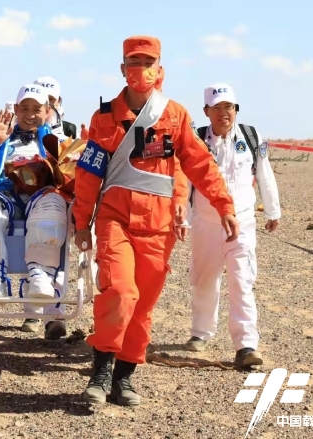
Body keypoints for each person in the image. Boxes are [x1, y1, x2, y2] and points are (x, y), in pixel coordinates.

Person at [73, 36, 239, 406]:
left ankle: (124, 378)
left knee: (143, 304)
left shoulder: (175, 115)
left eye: (148, 62)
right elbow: (88, 174)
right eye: (134, 62)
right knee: (119, 292)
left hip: (158, 227)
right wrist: (82, 222)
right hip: (115, 221)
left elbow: (199, 163)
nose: (140, 70)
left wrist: (224, 205)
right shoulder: (104, 118)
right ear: (122, 69)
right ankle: (100, 371)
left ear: (159, 69)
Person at [183, 83, 281, 367]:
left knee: (242, 281)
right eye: (217, 108)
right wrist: (184, 219)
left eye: (228, 107)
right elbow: (186, 182)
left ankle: (246, 344)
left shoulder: (251, 137)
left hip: (243, 222)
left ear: (236, 109)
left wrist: (272, 210)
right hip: (205, 222)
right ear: (206, 111)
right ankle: (201, 333)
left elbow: (264, 174)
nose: (223, 113)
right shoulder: (196, 140)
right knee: (204, 279)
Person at [0, 83, 69, 340]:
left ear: (48, 111)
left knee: (54, 204)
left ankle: (42, 275)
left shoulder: (57, 141)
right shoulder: (1, 136)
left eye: (36, 109)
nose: (30, 114)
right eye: (24, 108)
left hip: (41, 197)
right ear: (15, 109)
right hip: (3, 196)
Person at [33, 76, 77, 140]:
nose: (47, 103)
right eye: (41, 98)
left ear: (59, 101)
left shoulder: (70, 130)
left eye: (51, 99)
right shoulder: (19, 129)